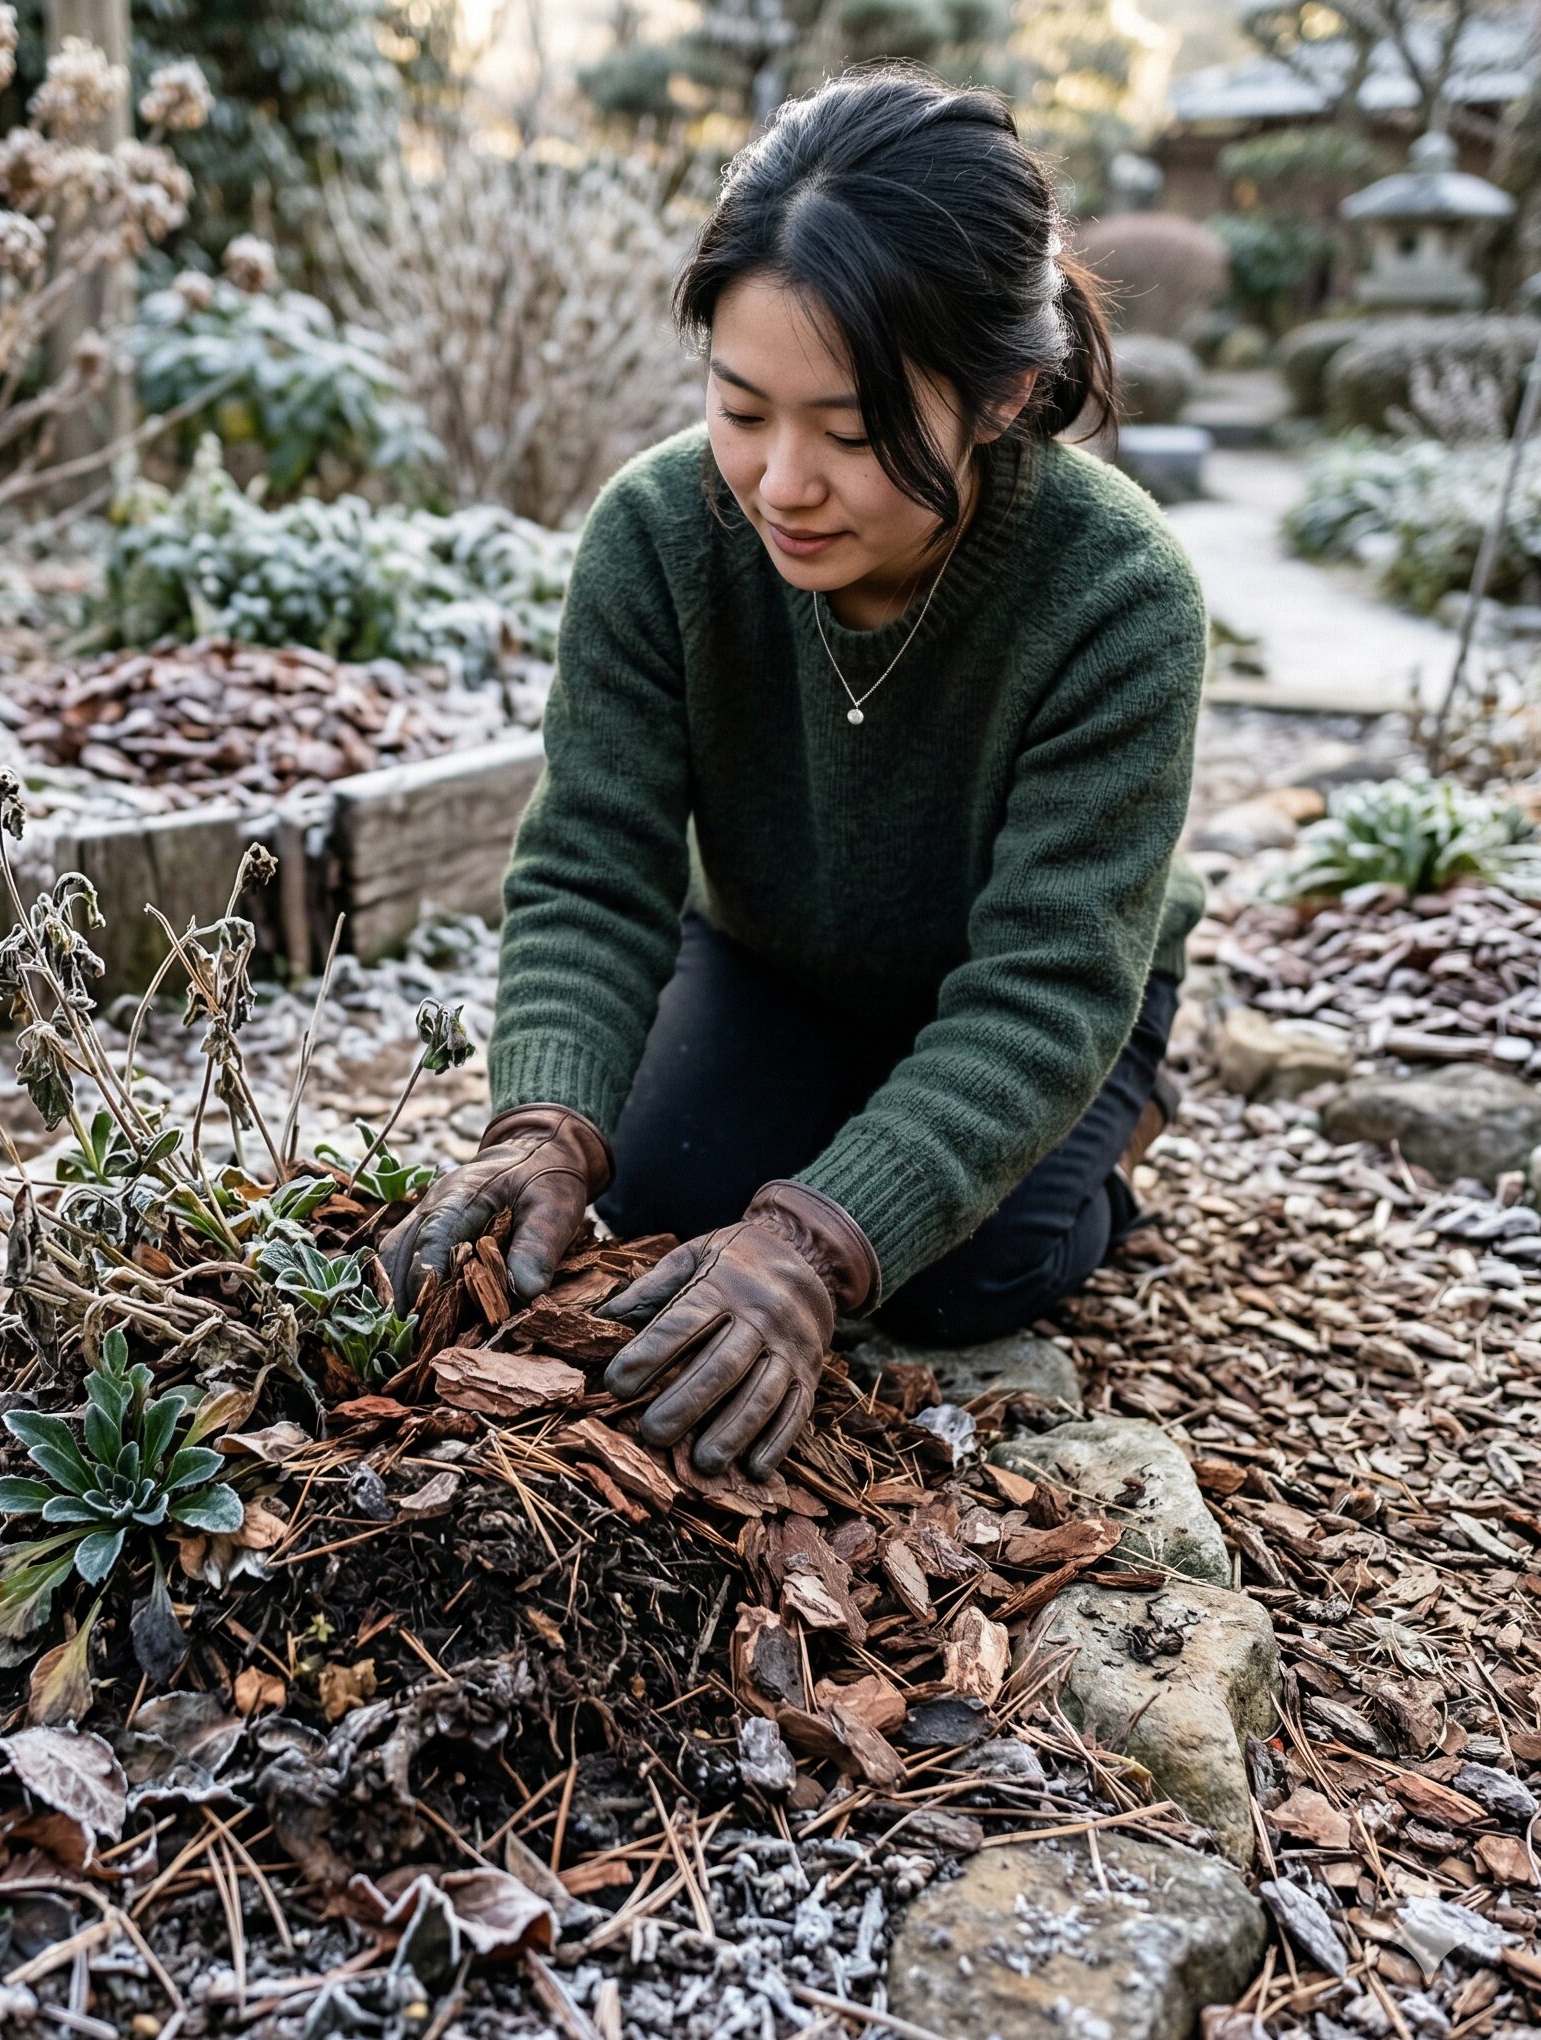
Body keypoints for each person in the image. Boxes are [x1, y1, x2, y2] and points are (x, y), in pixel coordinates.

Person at [379, 65, 1206, 1485]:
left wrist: (819, 1247)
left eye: (850, 431)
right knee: (655, 1195)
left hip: (1042, 990)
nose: (780, 484)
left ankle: (1116, 1117)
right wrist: (538, 1123)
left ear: (1006, 393)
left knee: (956, 1280)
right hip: (772, 950)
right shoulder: (656, 535)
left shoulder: (1118, 596)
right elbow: (593, 864)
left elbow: (1049, 983)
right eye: (742, 406)